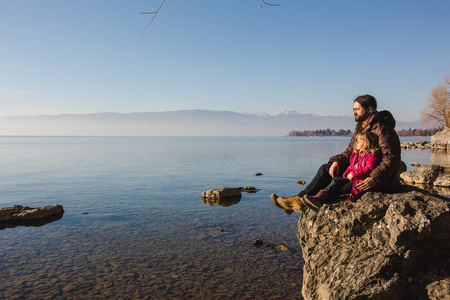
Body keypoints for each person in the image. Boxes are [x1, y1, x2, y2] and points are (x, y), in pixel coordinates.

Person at [271, 94, 401, 214]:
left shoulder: (382, 129)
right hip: (359, 168)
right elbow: (350, 152)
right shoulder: (361, 128)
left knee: (338, 183)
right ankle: (297, 200)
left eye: (357, 109)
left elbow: (391, 158)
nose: (354, 112)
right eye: (353, 109)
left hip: (373, 175)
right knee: (325, 169)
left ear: (369, 109)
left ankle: (302, 203)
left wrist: (374, 178)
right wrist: (336, 161)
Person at [301, 131, 382, 211]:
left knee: (339, 189)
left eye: (359, 141)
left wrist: (353, 174)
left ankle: (321, 199)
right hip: (352, 177)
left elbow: (368, 169)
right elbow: (351, 166)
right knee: (335, 181)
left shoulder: (372, 155)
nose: (356, 143)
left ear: (367, 143)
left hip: (359, 181)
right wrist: (346, 173)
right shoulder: (356, 155)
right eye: (356, 140)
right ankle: (319, 197)